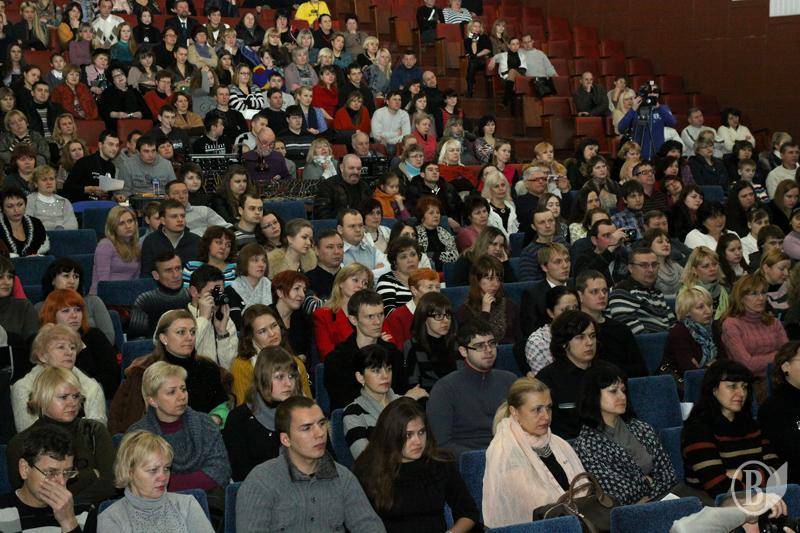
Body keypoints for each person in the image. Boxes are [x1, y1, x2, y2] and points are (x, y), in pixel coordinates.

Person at [235, 396, 384, 532]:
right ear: (286, 439)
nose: (320, 433)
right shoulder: (261, 482)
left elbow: (370, 527)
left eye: (322, 424)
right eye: (307, 428)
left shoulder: (343, 477)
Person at [354, 396, 479, 532]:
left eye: (421, 432)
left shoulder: (440, 463)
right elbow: (358, 524)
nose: (418, 441)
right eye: (409, 435)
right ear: (391, 435)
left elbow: (468, 512)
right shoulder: (368, 470)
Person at [483, 375, 585, 528]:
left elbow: (584, 488)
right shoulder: (505, 452)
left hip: (574, 521)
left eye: (548, 408)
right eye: (537, 410)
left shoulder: (558, 443)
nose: (546, 416)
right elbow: (537, 506)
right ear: (514, 412)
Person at [128, 361, 230, 515]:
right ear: (152, 400)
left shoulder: (205, 423)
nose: (182, 396)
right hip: (154, 509)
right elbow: (138, 483)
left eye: (183, 389)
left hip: (208, 506)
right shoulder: (137, 435)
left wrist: (168, 484)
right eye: (171, 392)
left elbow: (221, 470)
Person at [573, 362, 679, 505]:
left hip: (665, 501)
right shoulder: (586, 444)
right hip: (628, 512)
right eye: (613, 391)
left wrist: (649, 491)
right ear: (594, 396)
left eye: (623, 390)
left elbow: (669, 475)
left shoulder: (641, 428)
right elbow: (617, 493)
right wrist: (648, 482)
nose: (622, 396)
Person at [7, 367, 115, 506]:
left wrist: (69, 503)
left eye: (76, 396)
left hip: (90, 512)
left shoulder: (94, 430)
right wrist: (90, 475)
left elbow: (110, 484)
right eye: (63, 397)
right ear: (43, 399)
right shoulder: (20, 443)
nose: (72, 403)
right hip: (41, 515)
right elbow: (27, 494)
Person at [108, 309, 227, 434]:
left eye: (192, 332)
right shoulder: (143, 371)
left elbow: (221, 405)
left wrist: (215, 419)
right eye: (181, 332)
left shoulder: (207, 367)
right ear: (164, 338)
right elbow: (125, 418)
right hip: (155, 439)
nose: (190, 338)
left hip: (204, 435)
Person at [682, 359, 781, 498]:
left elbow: (778, 475)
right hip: (715, 508)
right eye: (732, 386)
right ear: (714, 389)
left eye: (744, 387)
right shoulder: (697, 431)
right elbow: (720, 489)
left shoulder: (753, 427)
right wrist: (759, 477)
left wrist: (741, 474)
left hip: (763, 503)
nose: (741, 393)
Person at [427, 318, 516, 456]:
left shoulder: (509, 381)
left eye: (492, 343)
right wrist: (483, 457)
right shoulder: (445, 389)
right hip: (469, 459)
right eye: (480, 346)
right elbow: (442, 443)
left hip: (509, 453)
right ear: (463, 351)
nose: (489, 350)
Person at [98, 430, 214, 532]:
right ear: (130, 472)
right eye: (153, 470)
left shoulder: (187, 505)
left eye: (166, 468)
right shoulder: (111, 518)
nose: (163, 477)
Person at [223, 346, 306, 482]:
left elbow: (327, 461)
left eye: (291, 376)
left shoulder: (306, 413)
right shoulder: (239, 419)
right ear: (263, 379)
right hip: (263, 489)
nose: (288, 383)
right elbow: (241, 475)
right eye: (279, 377)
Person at [324, 289, 413, 410]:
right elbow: (344, 403)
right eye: (370, 316)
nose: (377, 322)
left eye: (380, 314)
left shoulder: (392, 353)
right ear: (353, 320)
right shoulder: (337, 359)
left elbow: (402, 389)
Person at [11, 324, 106, 432]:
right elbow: (28, 433)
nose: (69, 352)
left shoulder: (91, 387)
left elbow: (97, 433)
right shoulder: (24, 388)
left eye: (72, 348)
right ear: (42, 356)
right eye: (61, 347)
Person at [0, 425, 93, 531]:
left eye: (67, 472)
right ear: (25, 469)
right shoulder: (2, 512)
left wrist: (69, 522)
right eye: (51, 473)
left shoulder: (83, 513)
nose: (62, 482)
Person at [38, 288, 119, 400]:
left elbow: (111, 377)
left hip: (93, 397)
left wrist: (87, 391)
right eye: (66, 311)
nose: (74, 315)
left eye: (77, 310)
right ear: (52, 314)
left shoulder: (94, 336)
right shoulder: (42, 341)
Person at [228, 304, 310, 407]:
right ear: (251, 337)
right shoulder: (242, 366)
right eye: (262, 331)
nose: (272, 334)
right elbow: (244, 409)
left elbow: (309, 404)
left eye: (274, 326)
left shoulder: (296, 362)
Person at [721, 274, 788, 397]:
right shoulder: (731, 324)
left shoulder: (774, 322)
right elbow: (747, 365)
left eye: (763, 293)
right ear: (741, 297)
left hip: (780, 379)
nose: (761, 298)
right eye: (754, 294)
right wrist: (777, 355)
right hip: (748, 385)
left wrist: (763, 359)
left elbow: (788, 356)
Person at [607, 247, 676, 334]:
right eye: (644, 265)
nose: (651, 270)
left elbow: (673, 323)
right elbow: (635, 334)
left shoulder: (656, 292)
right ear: (630, 268)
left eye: (654, 264)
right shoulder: (622, 292)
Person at [457, 255, 522, 345]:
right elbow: (474, 343)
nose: (495, 284)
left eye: (498, 279)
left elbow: (519, 339)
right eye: (490, 279)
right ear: (477, 280)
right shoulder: (465, 311)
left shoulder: (510, 306)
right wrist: (485, 312)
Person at [127, 252, 191, 339]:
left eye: (178, 268)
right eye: (168, 271)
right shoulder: (145, 300)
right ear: (156, 275)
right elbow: (136, 340)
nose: (175, 275)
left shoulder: (191, 296)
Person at [524, 286, 580, 375]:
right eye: (565, 310)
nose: (573, 314)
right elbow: (543, 379)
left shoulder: (585, 331)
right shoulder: (537, 341)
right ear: (550, 313)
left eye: (576, 308)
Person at [617, 82, 677, 159]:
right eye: (650, 92)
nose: (652, 94)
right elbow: (621, 128)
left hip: (658, 154)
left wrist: (659, 108)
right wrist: (633, 109)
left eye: (655, 91)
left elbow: (673, 123)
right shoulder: (637, 109)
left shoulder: (662, 108)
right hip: (638, 154)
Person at [140, 200, 200, 274]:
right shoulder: (150, 241)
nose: (180, 220)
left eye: (182, 216)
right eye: (174, 216)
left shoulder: (197, 241)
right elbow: (146, 274)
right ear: (163, 221)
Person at [313, 154, 373, 219]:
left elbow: (371, 212)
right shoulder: (327, 186)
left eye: (358, 169)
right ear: (342, 168)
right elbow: (322, 216)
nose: (355, 172)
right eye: (351, 168)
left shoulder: (365, 187)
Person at [375, 236, 421, 315]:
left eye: (413, 254)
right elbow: (389, 315)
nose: (410, 260)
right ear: (395, 262)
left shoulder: (425, 278)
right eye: (403, 257)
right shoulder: (386, 281)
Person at [0, 186, 49, 257]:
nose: (16, 210)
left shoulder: (36, 223)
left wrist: (37, 256)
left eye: (20, 205)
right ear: (2, 208)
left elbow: (45, 252)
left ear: (25, 204)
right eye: (10, 206)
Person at [304, 229, 344, 300]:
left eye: (340, 246)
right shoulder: (306, 281)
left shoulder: (350, 278)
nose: (337, 252)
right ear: (316, 250)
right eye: (330, 247)